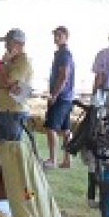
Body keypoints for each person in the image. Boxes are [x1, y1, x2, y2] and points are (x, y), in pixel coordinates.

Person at [0, 29, 33, 143]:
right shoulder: (9, 61)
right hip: (5, 109)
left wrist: (4, 66)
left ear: (20, 44)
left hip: (14, 111)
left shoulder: (23, 61)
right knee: (1, 147)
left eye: (9, 42)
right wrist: (6, 84)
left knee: (12, 149)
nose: (5, 46)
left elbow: (7, 81)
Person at [45, 26, 75, 169]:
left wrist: (54, 95)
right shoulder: (62, 54)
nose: (56, 38)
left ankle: (53, 159)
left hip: (61, 97)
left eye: (59, 35)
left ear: (66, 37)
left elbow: (63, 76)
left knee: (51, 128)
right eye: (55, 35)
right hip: (67, 97)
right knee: (65, 130)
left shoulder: (64, 54)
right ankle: (67, 160)